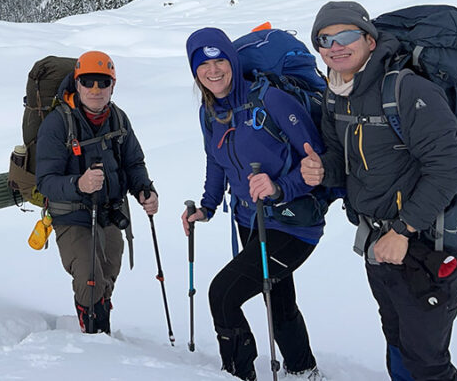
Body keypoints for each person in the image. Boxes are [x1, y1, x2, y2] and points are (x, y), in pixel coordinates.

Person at [301, 1, 457, 381]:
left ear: (370, 40)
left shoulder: (406, 89)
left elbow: (449, 169)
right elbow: (340, 161)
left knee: (427, 362)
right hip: (378, 244)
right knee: (396, 339)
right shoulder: (336, 92)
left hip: (425, 244)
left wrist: (403, 230)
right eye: (324, 39)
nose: (334, 46)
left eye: (346, 36)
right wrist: (320, 169)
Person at [181, 27, 324, 381]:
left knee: (223, 295)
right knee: (278, 299)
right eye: (203, 65)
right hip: (250, 219)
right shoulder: (210, 111)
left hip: (293, 221)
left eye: (219, 61)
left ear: (232, 60)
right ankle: (303, 369)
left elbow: (317, 160)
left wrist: (279, 187)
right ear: (195, 71)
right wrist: (207, 206)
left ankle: (237, 374)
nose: (213, 71)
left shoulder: (272, 99)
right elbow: (216, 162)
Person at [34, 50, 158, 334]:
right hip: (72, 215)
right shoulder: (58, 123)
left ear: (113, 85)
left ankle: (102, 328)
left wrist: (144, 190)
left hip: (110, 211)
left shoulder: (118, 118)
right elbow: (46, 181)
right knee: (90, 278)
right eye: (88, 81)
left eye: (103, 82)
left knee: (108, 273)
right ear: (76, 83)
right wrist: (79, 184)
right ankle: (93, 339)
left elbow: (133, 162)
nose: (95, 89)